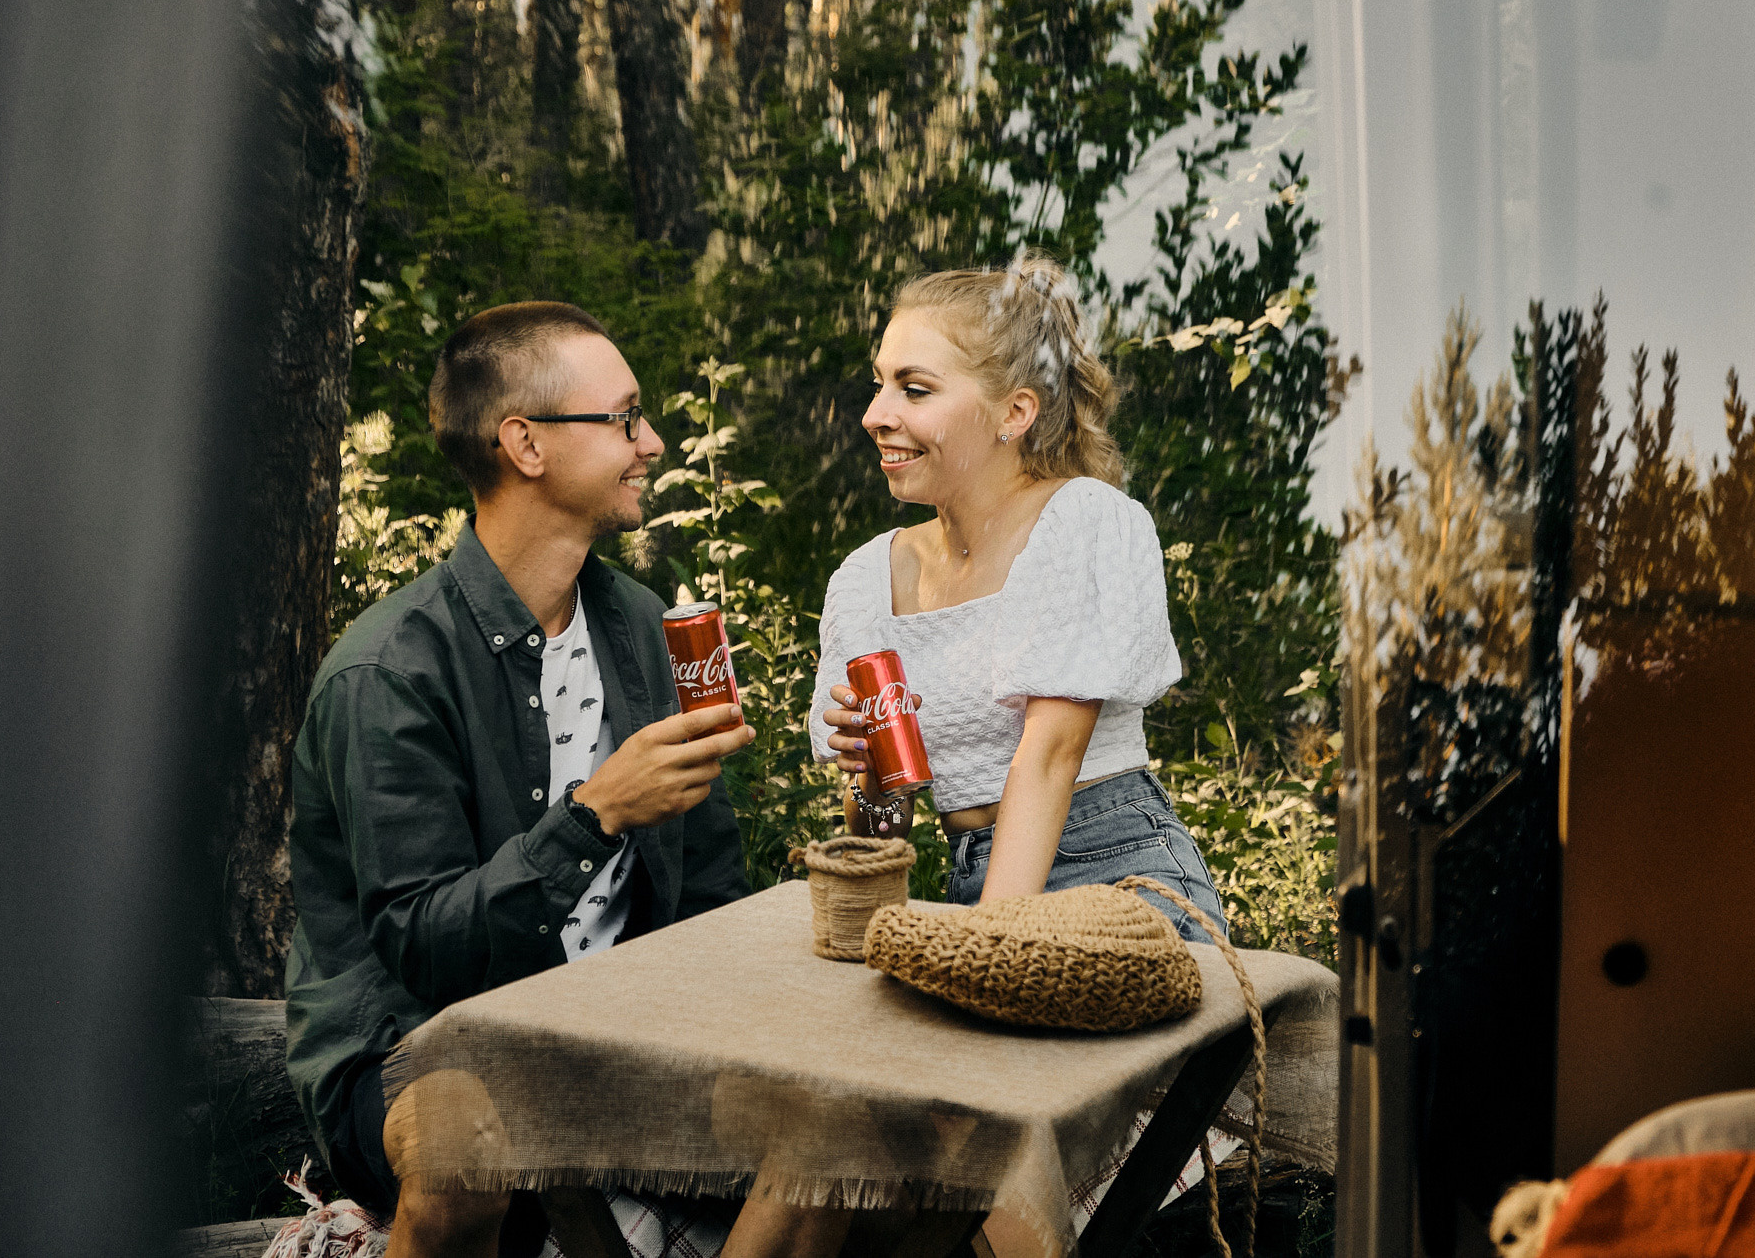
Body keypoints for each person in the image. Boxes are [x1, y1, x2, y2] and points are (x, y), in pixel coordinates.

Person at [284, 301, 756, 1258]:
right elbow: (425, 946)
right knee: (470, 1145)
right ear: (525, 444)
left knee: (844, 1145)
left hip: (617, 1040)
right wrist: (597, 815)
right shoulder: (389, 672)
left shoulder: (639, 627)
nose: (651, 442)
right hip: (419, 1051)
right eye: (623, 418)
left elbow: (708, 881)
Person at [809, 254, 1225, 939]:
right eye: (879, 384)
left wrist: (986, 947)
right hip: (969, 883)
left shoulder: (1081, 522)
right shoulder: (864, 580)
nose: (874, 415)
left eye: (914, 390)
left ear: (1015, 411)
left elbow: (1049, 758)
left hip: (1113, 875)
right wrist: (873, 778)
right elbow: (879, 831)